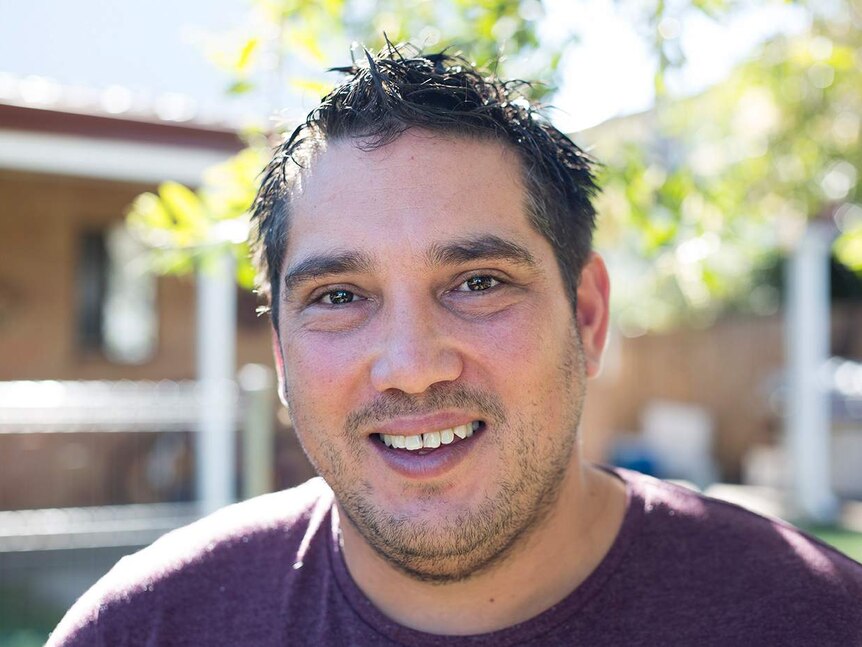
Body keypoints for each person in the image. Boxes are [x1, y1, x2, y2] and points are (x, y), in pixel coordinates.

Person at [49, 43, 862, 646]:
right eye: (338, 297)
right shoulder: (143, 628)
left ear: (587, 318)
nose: (411, 366)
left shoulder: (815, 619)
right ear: (284, 353)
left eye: (477, 282)